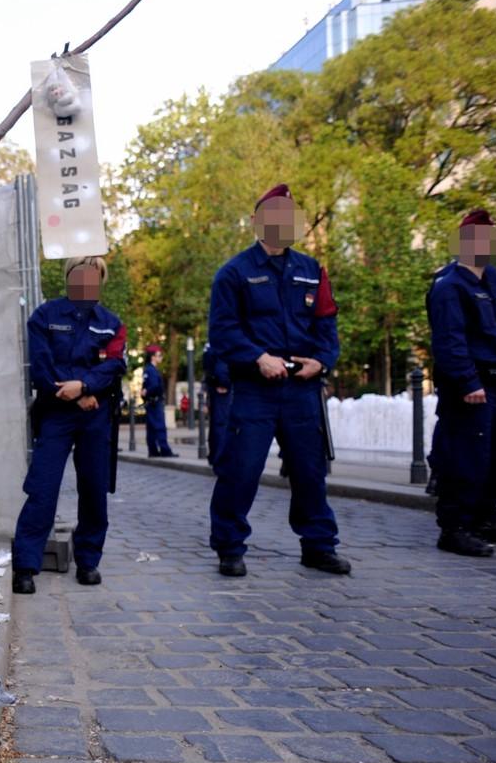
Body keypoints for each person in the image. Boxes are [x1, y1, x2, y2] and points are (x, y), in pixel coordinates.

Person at [207, 184, 351, 578]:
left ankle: (319, 546)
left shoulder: (311, 270)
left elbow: (327, 324)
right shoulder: (234, 273)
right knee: (242, 471)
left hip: (302, 390)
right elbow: (221, 332)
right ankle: (230, 547)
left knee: (309, 472)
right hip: (256, 389)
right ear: (256, 222)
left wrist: (322, 362)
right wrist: (258, 358)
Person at [11, 257, 127, 592]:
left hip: (96, 415)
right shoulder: (45, 316)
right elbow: (42, 367)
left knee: (94, 489)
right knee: (42, 488)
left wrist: (87, 387)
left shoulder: (111, 323)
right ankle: (26, 566)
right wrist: (77, 393)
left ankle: (88, 560)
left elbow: (114, 365)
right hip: (56, 412)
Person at [425, 210, 496, 556]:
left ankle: (486, 519)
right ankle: (455, 527)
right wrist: (467, 381)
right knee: (466, 457)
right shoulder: (449, 285)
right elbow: (449, 340)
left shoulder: (492, 279)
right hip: (471, 385)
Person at [141, 345, 177, 457]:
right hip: (155, 402)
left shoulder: (149, 369)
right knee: (160, 427)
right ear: (153, 357)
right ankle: (165, 450)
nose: (161, 357)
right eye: (159, 355)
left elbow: (145, 387)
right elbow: (154, 386)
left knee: (151, 428)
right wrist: (147, 391)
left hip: (151, 402)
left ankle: (153, 451)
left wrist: (145, 391)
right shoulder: (151, 370)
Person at [202, 340, 231, 467]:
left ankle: (214, 456)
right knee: (221, 424)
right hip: (221, 389)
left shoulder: (210, 342)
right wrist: (223, 382)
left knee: (215, 425)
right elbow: (222, 365)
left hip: (214, 387)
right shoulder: (222, 339)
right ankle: (219, 459)